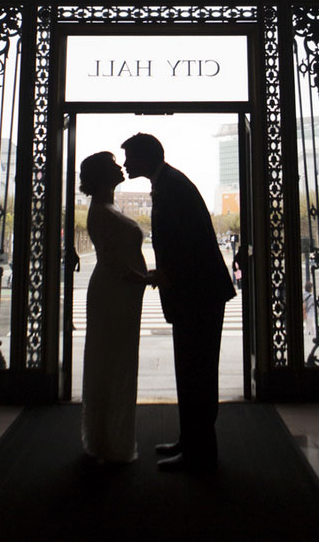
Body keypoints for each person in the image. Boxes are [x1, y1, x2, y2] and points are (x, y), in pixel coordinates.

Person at [122, 133, 236, 473]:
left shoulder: (171, 186)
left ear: (145, 158)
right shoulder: (170, 182)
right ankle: (191, 441)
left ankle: (199, 453)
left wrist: (167, 274)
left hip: (197, 296)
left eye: (129, 157)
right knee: (192, 374)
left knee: (196, 375)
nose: (125, 163)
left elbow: (190, 245)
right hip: (197, 294)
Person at [79, 151, 150, 464]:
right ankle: (111, 440)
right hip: (114, 295)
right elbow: (115, 263)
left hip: (120, 293)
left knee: (114, 362)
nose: (120, 166)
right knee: (114, 364)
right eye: (113, 165)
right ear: (102, 176)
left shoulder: (108, 207)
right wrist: (148, 277)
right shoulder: (102, 211)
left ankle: (108, 436)